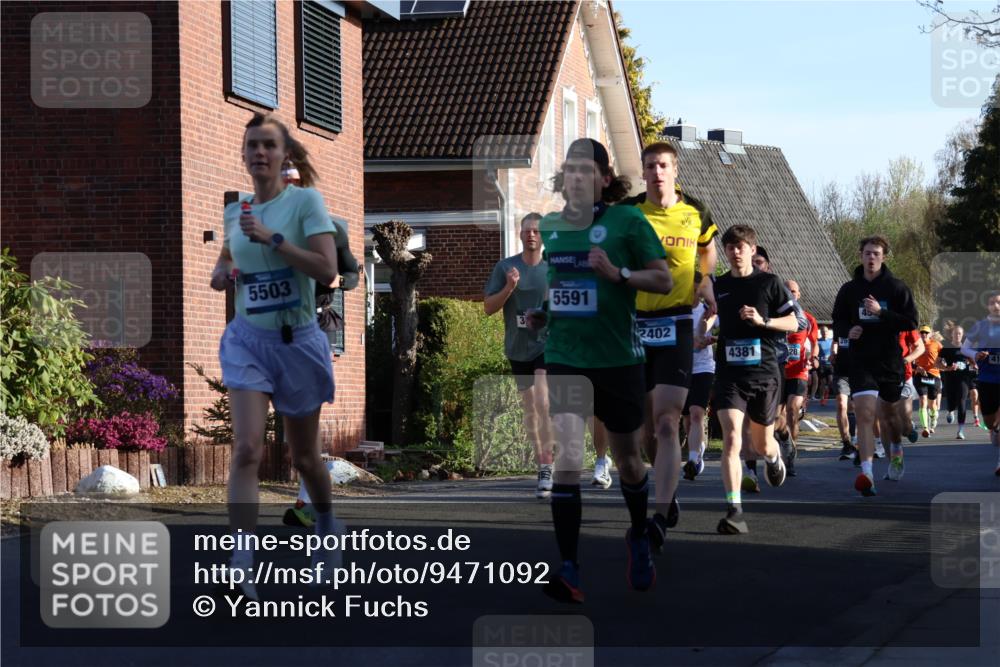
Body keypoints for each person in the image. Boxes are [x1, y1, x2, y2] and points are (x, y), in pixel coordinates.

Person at [533, 138, 672, 602]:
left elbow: (663, 278)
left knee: (630, 460)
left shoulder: (627, 220)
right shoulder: (551, 228)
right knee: (569, 456)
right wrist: (543, 311)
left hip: (619, 359)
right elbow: (559, 289)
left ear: (603, 178)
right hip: (566, 356)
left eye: (585, 169)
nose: (575, 177)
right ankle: (569, 568)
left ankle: (637, 534)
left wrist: (620, 275)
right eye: (568, 169)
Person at [210, 113, 340, 600]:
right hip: (248, 341)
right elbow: (226, 262)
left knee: (304, 457)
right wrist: (222, 274)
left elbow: (327, 270)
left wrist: (275, 240)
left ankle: (327, 528)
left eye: (269, 145)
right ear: (243, 156)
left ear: (285, 155)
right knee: (247, 450)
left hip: (298, 342)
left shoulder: (305, 202)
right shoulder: (235, 212)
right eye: (252, 146)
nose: (259, 152)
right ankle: (241, 560)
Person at [619, 141, 719, 552]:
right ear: (642, 172)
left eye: (663, 165)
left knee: (667, 421)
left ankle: (659, 516)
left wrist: (704, 279)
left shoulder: (696, 211)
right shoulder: (628, 212)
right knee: (645, 431)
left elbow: (708, 251)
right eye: (649, 166)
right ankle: (669, 488)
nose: (657, 172)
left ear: (675, 170)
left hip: (677, 322)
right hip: (634, 325)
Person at [712, 225, 799, 534]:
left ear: (752, 249)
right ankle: (734, 509)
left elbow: (794, 320)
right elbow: (710, 312)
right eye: (730, 248)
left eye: (741, 247)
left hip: (763, 370)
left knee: (761, 442)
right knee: (733, 438)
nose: (735, 253)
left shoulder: (770, 283)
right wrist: (704, 331)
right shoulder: (719, 285)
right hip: (729, 373)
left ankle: (774, 457)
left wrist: (764, 321)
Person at [832, 235, 918, 496]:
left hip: (889, 360)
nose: (871, 258)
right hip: (861, 361)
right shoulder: (849, 290)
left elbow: (911, 322)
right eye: (867, 253)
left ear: (883, 257)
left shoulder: (896, 287)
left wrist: (881, 314)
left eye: (876, 254)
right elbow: (837, 321)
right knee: (866, 415)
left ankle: (896, 451)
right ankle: (867, 473)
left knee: (890, 417)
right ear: (860, 255)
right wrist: (849, 330)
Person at [484, 213, 555, 498]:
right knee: (531, 410)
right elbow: (488, 307)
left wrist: (546, 317)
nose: (531, 235)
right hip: (517, 347)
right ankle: (542, 463)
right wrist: (508, 288)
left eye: (536, 231)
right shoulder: (506, 267)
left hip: (547, 345)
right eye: (526, 231)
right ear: (520, 234)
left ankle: (548, 466)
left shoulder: (552, 269)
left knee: (542, 401)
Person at [741, 246, 807, 491]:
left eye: (759, 261)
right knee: (748, 421)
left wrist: (766, 322)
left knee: (772, 420)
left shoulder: (774, 286)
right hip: (743, 362)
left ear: (767, 265)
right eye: (753, 261)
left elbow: (798, 320)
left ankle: (784, 435)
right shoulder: (736, 286)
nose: (755, 265)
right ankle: (750, 473)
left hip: (773, 361)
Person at [772, 280, 819, 477]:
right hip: (780, 370)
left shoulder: (808, 319)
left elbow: (815, 343)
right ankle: (786, 444)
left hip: (799, 371)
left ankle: (791, 455)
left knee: (792, 408)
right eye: (787, 291)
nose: (790, 294)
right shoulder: (775, 315)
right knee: (776, 416)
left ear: (798, 295)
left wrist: (813, 357)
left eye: (793, 291)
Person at [961, 290, 1000, 475]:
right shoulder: (980, 326)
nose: (996, 306)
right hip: (987, 379)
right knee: (990, 422)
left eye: (999, 302)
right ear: (988, 306)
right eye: (993, 303)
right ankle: (994, 429)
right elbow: (965, 348)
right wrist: (975, 355)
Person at [683, 300, 716, 481]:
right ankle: (698, 448)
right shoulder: (676, 307)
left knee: (697, 414)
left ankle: (693, 460)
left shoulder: (708, 309)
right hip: (681, 369)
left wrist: (713, 339)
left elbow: (725, 326)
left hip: (704, 368)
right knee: (687, 420)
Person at [940, 325, 975, 440]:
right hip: (950, 379)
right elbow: (937, 364)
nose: (957, 335)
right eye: (955, 333)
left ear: (962, 335)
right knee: (951, 403)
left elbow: (973, 362)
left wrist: (974, 364)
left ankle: (960, 430)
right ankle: (950, 411)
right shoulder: (945, 349)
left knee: (962, 401)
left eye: (959, 333)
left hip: (964, 379)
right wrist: (948, 368)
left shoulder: (967, 349)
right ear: (952, 335)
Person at [914, 325, 943, 437]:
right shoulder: (915, 345)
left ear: (930, 334)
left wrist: (944, 363)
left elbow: (944, 357)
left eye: (926, 333)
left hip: (934, 376)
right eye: (922, 333)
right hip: (920, 376)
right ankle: (925, 428)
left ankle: (933, 417)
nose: (923, 335)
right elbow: (911, 359)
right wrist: (917, 367)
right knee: (923, 401)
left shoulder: (937, 344)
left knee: (932, 404)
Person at [816, 325, 834, 404]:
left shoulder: (831, 341)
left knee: (831, 381)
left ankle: (826, 393)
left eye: (826, 331)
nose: (824, 333)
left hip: (830, 364)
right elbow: (816, 352)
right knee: (823, 382)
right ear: (821, 332)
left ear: (828, 332)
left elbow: (834, 351)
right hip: (822, 364)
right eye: (823, 331)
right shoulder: (818, 341)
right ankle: (822, 398)